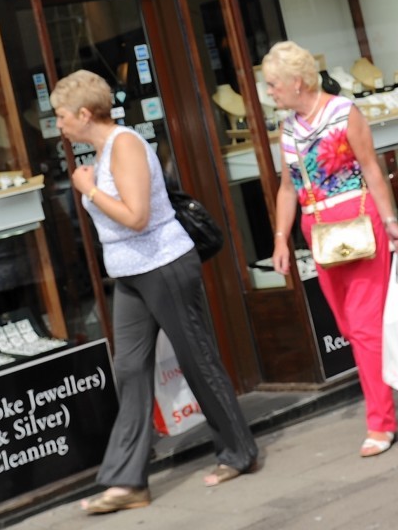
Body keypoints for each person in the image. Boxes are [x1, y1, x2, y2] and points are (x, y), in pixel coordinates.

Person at [51, 70, 258, 514]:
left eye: (62, 115)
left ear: (85, 114)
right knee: (128, 369)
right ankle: (128, 482)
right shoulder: (103, 151)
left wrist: (88, 190)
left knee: (196, 359)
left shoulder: (125, 145)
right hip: (130, 274)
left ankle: (239, 453)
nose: (58, 125)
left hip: (164, 266)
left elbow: (138, 216)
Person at [262, 41, 398, 458]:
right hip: (318, 229)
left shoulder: (342, 112)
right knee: (352, 328)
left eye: (274, 84)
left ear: (297, 82)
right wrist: (281, 238)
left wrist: (390, 222)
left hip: (357, 218)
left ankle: (380, 423)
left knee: (366, 327)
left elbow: (371, 167)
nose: (270, 92)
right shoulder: (288, 128)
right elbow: (286, 187)